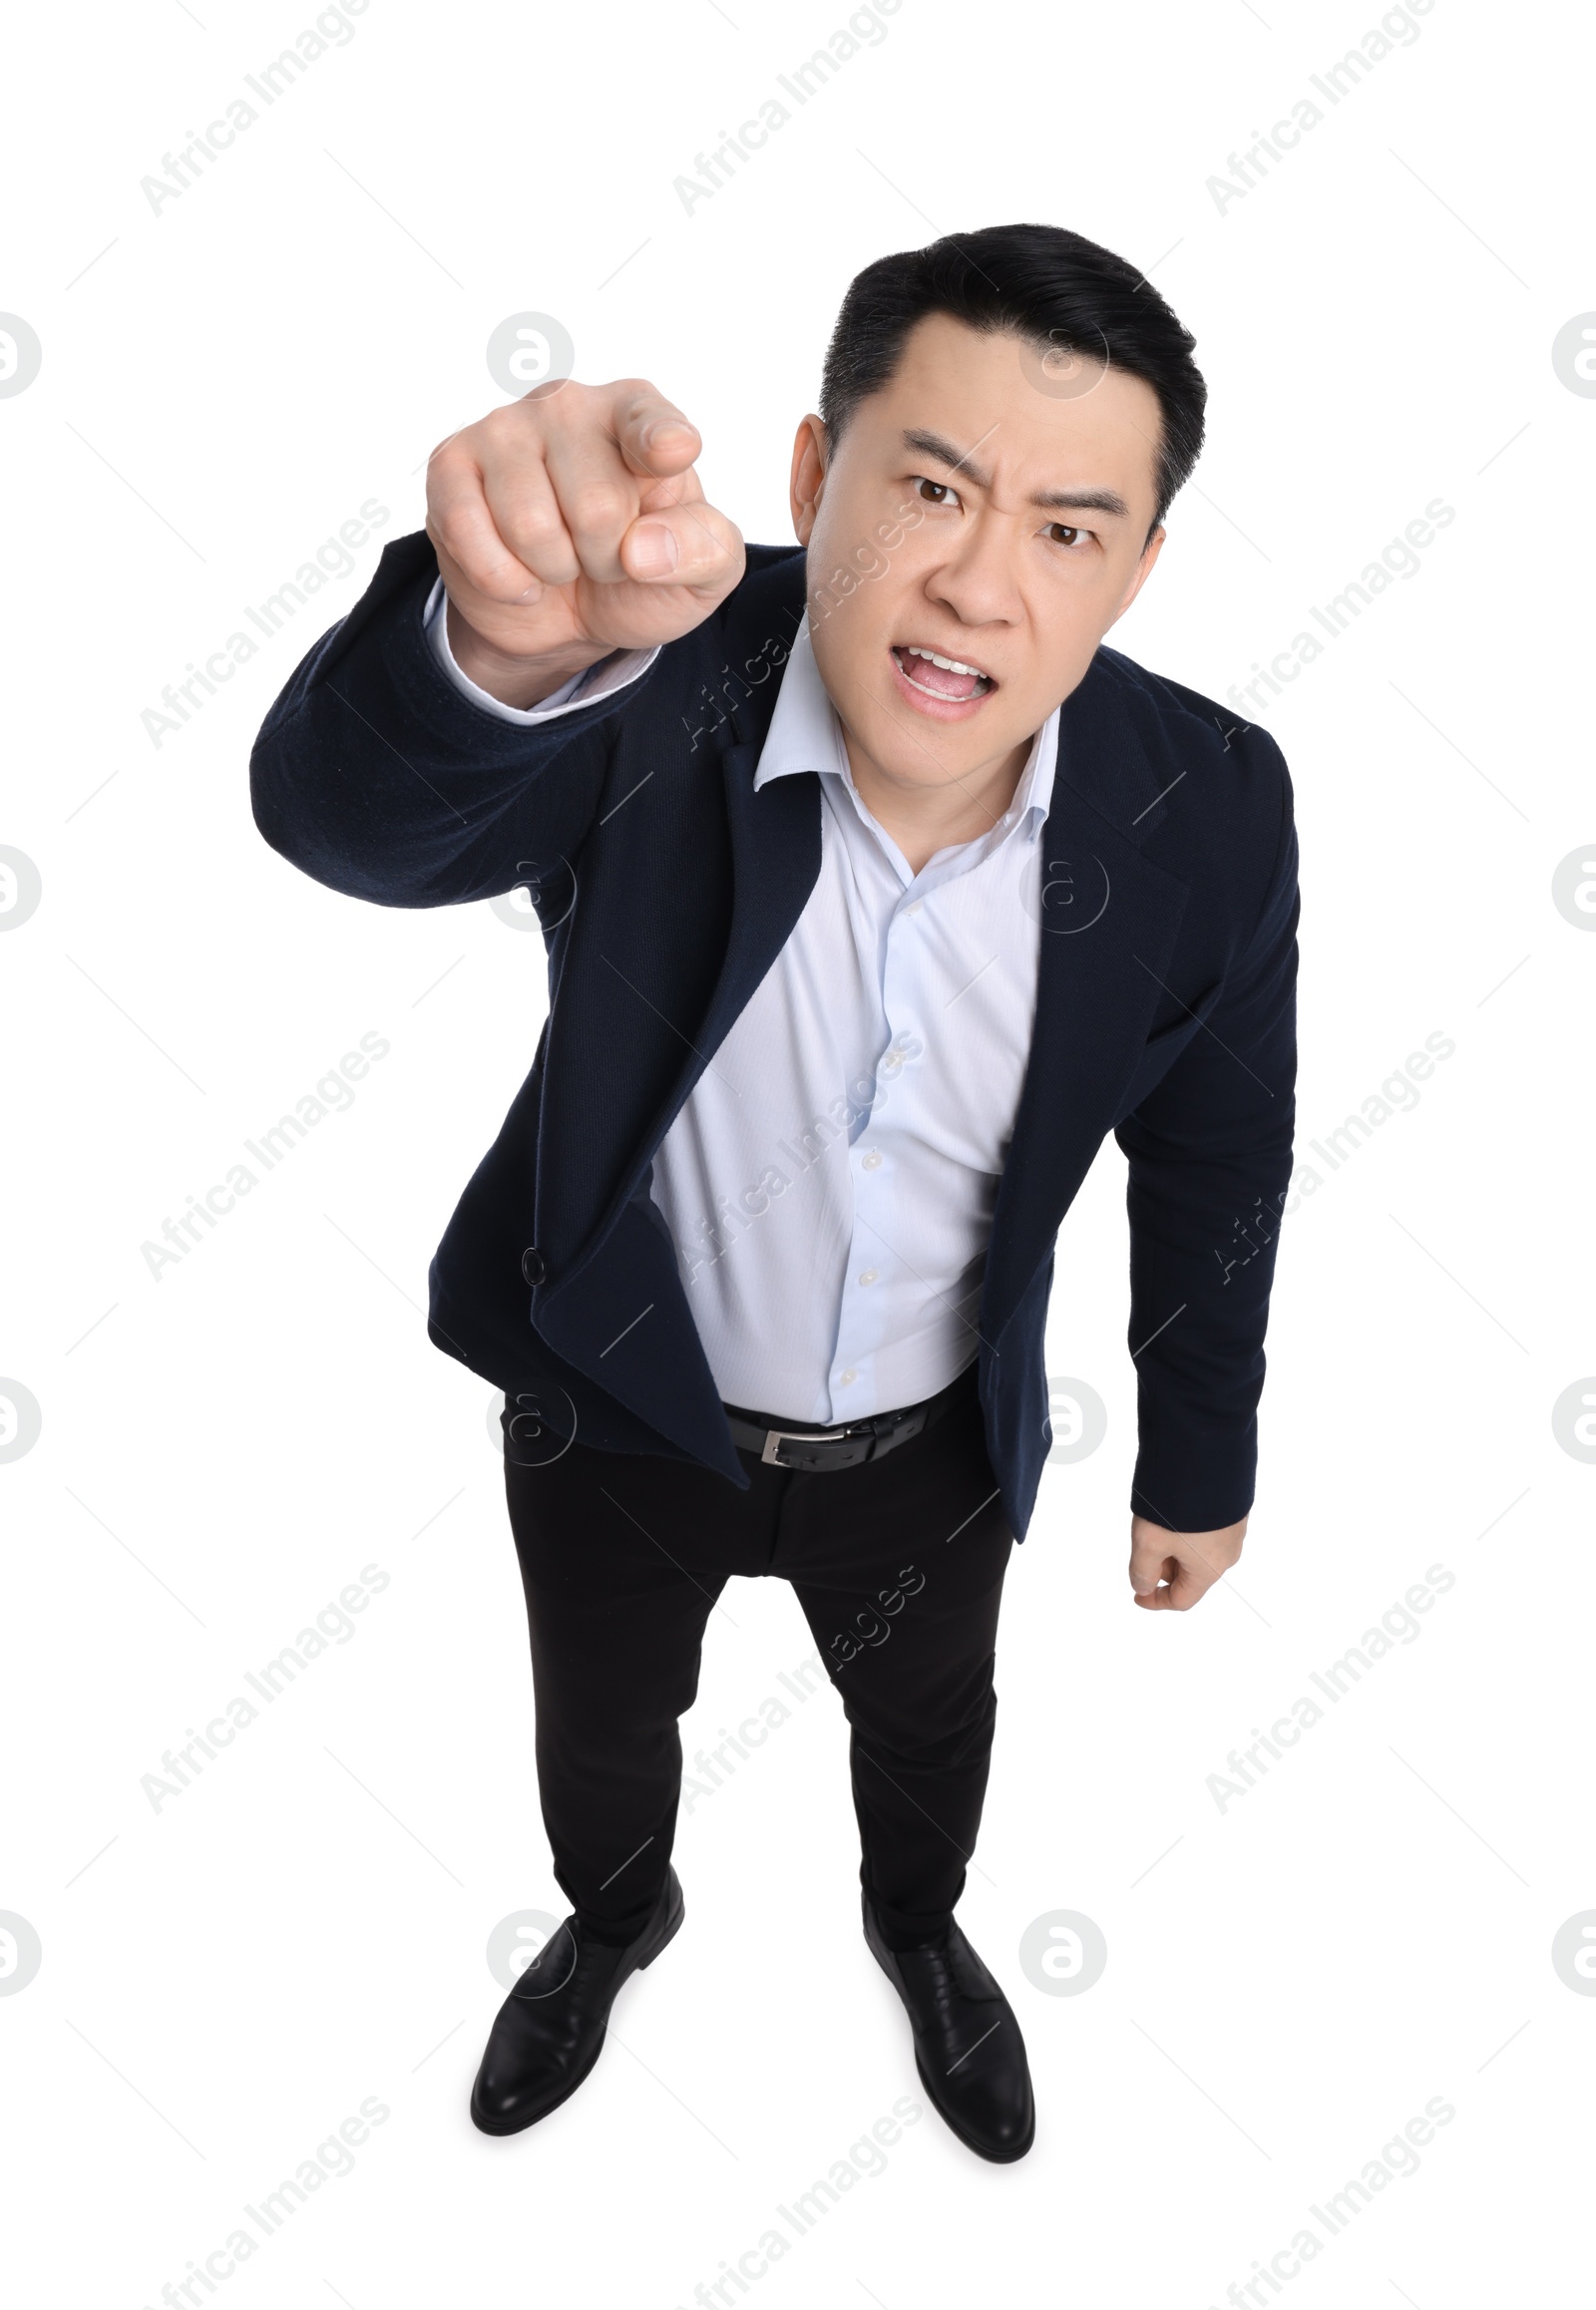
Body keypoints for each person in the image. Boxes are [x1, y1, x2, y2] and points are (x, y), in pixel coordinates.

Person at [249, 222, 1299, 2163]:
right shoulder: (657, 668)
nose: (980, 582)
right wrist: (491, 650)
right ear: (816, 479)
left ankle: (916, 1931)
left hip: (925, 1443)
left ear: (1135, 567)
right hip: (617, 1407)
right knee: (599, 1732)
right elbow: (350, 826)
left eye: (1068, 528)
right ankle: (611, 1917)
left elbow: (1218, 1143)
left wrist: (1198, 1459)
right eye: (929, 487)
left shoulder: (1208, 797)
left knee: (925, 1740)